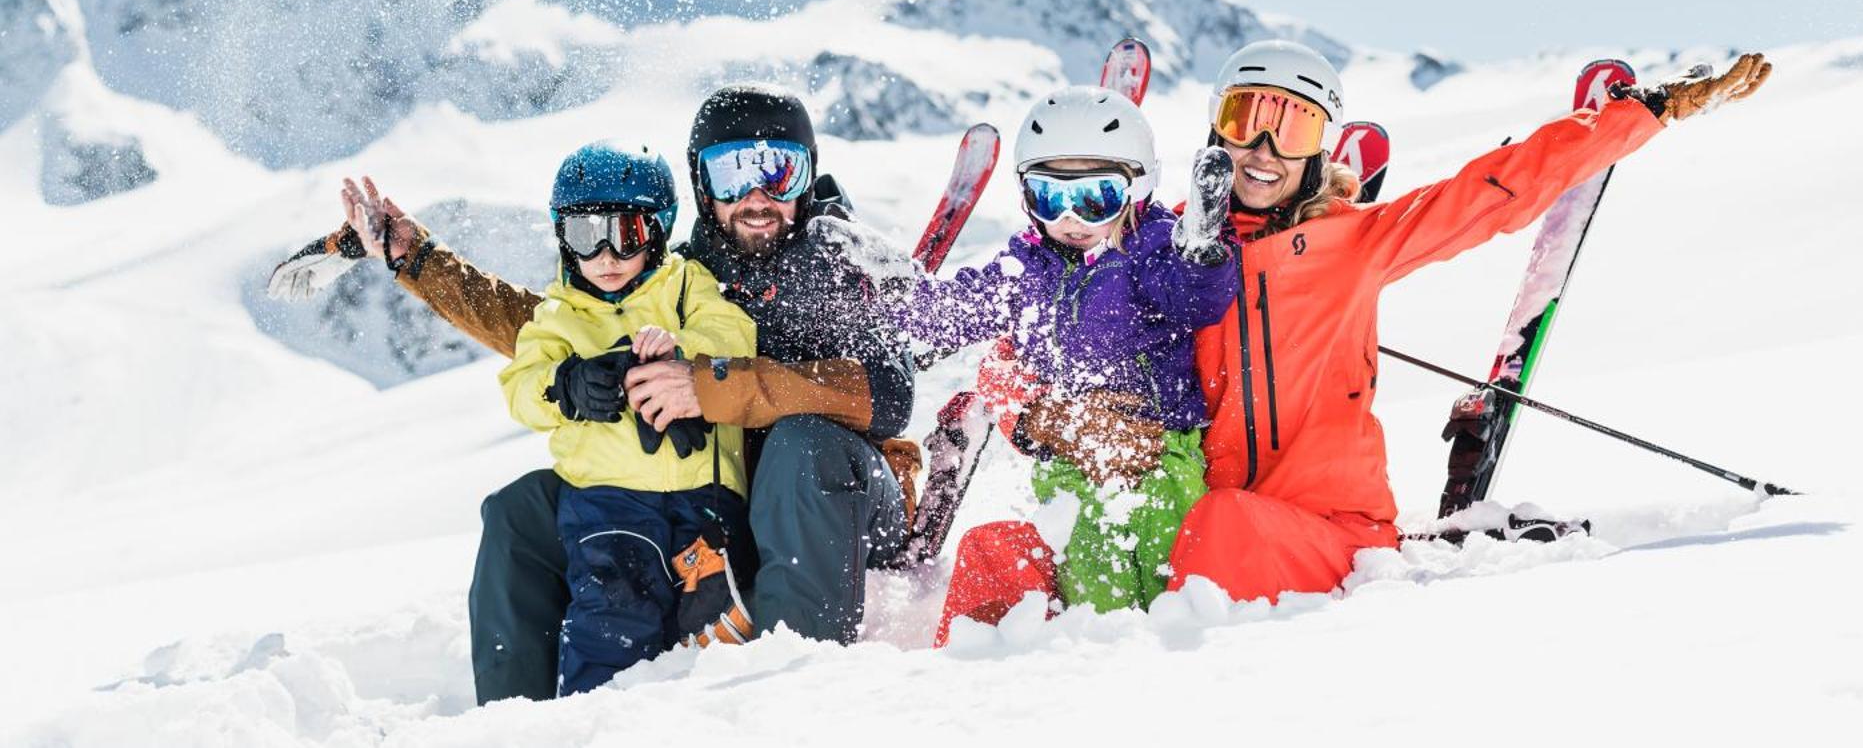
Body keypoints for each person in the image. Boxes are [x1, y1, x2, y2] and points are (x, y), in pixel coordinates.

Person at [931, 41, 1774, 613]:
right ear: (1216, 129)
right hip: (1169, 522)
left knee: (1221, 523)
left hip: (1322, 530)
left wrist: (1648, 112)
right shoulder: (1171, 248)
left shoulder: (1354, 243)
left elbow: (1494, 191)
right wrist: (1041, 418)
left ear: (1319, 144)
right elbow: (1015, 352)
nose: (1261, 145)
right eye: (1243, 116)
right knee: (992, 555)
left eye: (1290, 123)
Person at [340, 84, 916, 703]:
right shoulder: (685, 271)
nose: (756, 197)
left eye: (779, 170)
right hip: (725, 508)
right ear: (700, 186)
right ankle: (518, 723)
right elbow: (555, 324)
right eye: (731, 174)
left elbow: (888, 394)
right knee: (522, 510)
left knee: (799, 446)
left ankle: (791, 695)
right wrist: (421, 261)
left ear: (807, 176)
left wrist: (715, 386)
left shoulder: (840, 261)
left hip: (843, 504)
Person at [879, 87, 1239, 636]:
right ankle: (1094, 646)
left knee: (1160, 557)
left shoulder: (1148, 249)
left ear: (1137, 188)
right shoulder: (1029, 264)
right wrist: (895, 306)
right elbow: (964, 308)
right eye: (1050, 197)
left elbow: (1196, 297)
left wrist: (1205, 254)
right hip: (1069, 457)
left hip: (1160, 450)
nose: (1070, 217)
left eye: (1095, 197)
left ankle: (1165, 644)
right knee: (1089, 559)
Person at [497, 142, 757, 694]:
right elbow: (520, 387)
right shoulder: (558, 316)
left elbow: (732, 334)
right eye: (585, 236)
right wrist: (564, 384)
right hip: (607, 504)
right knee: (612, 620)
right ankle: (596, 718)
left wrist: (685, 358)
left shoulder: (686, 286)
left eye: (626, 235)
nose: (606, 256)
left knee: (715, 633)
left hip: (705, 501)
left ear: (657, 233)